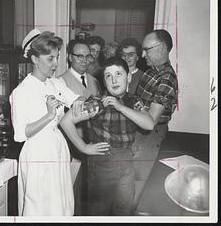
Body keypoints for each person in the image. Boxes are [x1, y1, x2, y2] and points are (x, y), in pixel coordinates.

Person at [9, 29, 109, 216]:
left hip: (58, 149)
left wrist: (81, 100)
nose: (56, 64)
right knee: (40, 207)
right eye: (50, 59)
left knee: (60, 204)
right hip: (38, 154)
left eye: (57, 57)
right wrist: (48, 115)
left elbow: (76, 98)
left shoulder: (55, 84)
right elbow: (22, 134)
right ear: (34, 59)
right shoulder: (22, 91)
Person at [60, 56, 157, 216]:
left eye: (119, 74)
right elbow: (65, 121)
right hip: (101, 166)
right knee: (98, 213)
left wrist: (120, 107)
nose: (114, 80)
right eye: (108, 76)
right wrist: (83, 147)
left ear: (129, 77)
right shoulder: (97, 103)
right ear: (104, 82)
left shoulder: (134, 101)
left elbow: (149, 124)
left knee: (123, 213)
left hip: (126, 166)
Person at [131, 29, 178, 210]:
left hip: (150, 135)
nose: (142, 55)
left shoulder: (166, 78)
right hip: (138, 131)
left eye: (146, 50)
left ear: (162, 48)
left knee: (137, 186)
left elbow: (151, 119)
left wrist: (137, 107)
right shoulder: (151, 71)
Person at [58, 39, 101, 215]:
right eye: (79, 56)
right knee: (69, 193)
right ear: (69, 57)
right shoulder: (60, 82)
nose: (84, 60)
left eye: (87, 56)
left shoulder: (95, 81)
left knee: (87, 195)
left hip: (92, 145)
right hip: (71, 147)